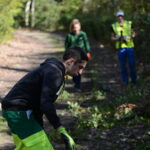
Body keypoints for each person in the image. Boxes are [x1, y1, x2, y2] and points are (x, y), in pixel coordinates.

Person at [1, 46, 88, 150]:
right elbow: (45, 102)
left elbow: (39, 103)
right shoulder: (54, 73)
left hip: (19, 111)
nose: (80, 72)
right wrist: (59, 128)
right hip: (19, 112)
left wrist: (40, 127)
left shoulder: (55, 71)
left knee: (24, 148)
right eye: (80, 67)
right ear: (70, 61)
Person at [65, 18, 91, 92]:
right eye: (74, 27)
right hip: (72, 56)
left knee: (79, 70)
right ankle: (75, 82)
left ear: (79, 27)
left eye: (77, 27)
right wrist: (67, 55)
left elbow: (86, 44)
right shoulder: (69, 35)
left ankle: (78, 86)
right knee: (73, 70)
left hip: (81, 55)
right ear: (72, 27)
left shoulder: (83, 34)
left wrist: (88, 52)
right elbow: (67, 46)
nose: (76, 29)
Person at [111, 11, 137, 85]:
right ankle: (125, 81)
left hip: (129, 47)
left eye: (121, 16)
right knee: (123, 65)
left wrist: (129, 37)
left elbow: (134, 33)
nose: (120, 17)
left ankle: (134, 81)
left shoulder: (129, 24)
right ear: (116, 17)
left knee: (132, 64)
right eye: (118, 16)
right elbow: (112, 38)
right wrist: (118, 38)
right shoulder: (114, 26)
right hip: (120, 47)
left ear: (123, 16)